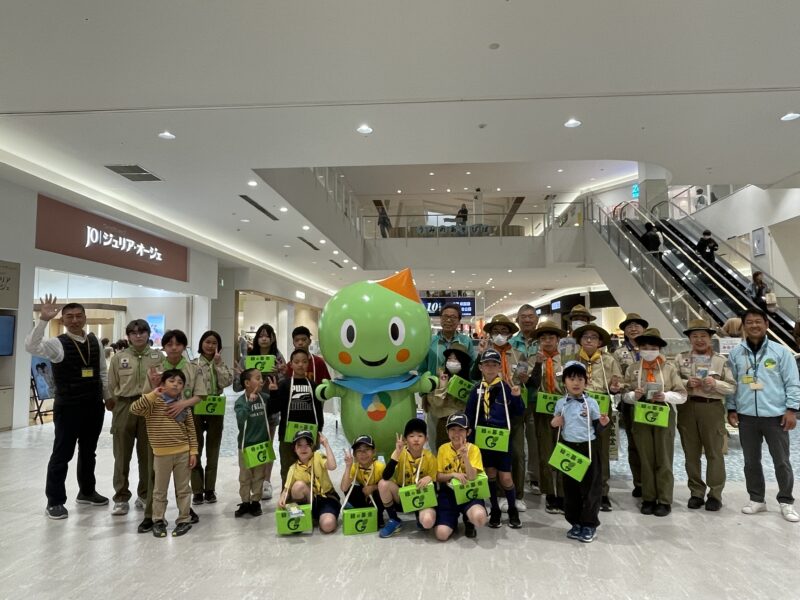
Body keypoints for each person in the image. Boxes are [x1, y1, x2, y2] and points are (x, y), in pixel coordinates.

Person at [25, 294, 110, 520]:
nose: (74, 320)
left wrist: (107, 396)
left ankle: (87, 492)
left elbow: (102, 372)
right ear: (63, 320)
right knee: (62, 454)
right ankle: (54, 501)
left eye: (78, 316)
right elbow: (31, 346)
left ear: (85, 318)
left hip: (93, 405)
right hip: (69, 407)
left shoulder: (94, 342)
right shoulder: (56, 344)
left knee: (89, 452)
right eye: (69, 316)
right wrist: (43, 319)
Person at [726, 307, 800, 522]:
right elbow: (732, 384)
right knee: (751, 461)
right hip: (746, 416)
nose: (754, 325)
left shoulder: (781, 352)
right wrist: (731, 408)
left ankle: (786, 501)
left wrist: (791, 410)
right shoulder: (736, 353)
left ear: (766, 325)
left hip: (776, 416)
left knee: (781, 461)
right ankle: (757, 499)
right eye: (749, 322)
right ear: (744, 326)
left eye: (758, 321)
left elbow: (793, 383)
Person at [139, 329, 207, 532]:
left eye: (178, 344)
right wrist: (154, 387)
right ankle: (152, 515)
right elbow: (145, 397)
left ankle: (186, 511)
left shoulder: (193, 368)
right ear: (164, 347)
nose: (174, 348)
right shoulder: (156, 369)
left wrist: (182, 404)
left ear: (184, 346)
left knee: (185, 468)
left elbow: (200, 395)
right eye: (169, 344)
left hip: (185, 419)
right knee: (155, 471)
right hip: (158, 423)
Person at [620, 328, 687, 517]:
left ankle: (664, 500)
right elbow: (624, 395)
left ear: (659, 349)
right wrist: (634, 395)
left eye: (653, 348)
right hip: (641, 413)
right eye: (645, 347)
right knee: (646, 457)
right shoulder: (633, 369)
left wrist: (665, 395)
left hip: (663, 413)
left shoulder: (669, 368)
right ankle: (648, 498)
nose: (649, 351)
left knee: (664, 457)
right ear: (639, 348)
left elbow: (682, 395)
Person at [674, 320, 736, 511]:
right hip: (687, 407)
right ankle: (696, 492)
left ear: (710, 338)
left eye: (703, 336)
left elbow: (732, 387)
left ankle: (715, 494)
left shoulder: (721, 360)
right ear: (689, 339)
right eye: (695, 336)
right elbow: (671, 381)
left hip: (712, 408)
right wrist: (686, 383)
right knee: (691, 453)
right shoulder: (680, 358)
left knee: (714, 452)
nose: (699, 339)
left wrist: (715, 384)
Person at [130, 369, 198, 538]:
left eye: (180, 382)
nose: (176, 384)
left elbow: (191, 430)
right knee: (159, 490)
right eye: (171, 381)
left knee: (183, 489)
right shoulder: (153, 403)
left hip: (183, 452)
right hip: (161, 455)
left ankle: (184, 519)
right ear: (162, 384)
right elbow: (134, 409)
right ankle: (158, 520)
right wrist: (153, 394)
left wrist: (193, 452)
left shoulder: (183, 406)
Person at [107, 319, 163, 516]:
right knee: (122, 454)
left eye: (142, 332)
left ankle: (145, 494)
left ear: (148, 334)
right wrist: (116, 407)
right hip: (125, 405)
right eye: (133, 333)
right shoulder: (119, 358)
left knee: (148, 454)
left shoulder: (158, 357)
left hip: (149, 405)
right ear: (128, 336)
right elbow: (112, 384)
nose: (138, 336)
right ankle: (121, 497)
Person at [551, 361, 610, 543]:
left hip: (588, 449)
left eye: (580, 379)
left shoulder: (591, 403)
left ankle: (589, 524)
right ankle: (575, 522)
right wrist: (554, 422)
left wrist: (603, 423)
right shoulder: (561, 403)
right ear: (564, 382)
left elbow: (597, 427)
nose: (576, 383)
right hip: (568, 449)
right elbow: (555, 424)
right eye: (571, 379)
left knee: (590, 489)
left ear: (586, 382)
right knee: (571, 489)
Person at [465, 349, 524, 529]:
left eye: (494, 365)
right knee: (490, 473)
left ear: (499, 367)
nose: (490, 368)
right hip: (483, 439)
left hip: (501, 438)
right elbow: (469, 414)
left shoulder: (506, 388)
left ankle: (512, 509)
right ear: (480, 367)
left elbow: (519, 412)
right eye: (486, 365)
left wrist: (517, 397)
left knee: (505, 477)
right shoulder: (476, 389)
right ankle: (495, 510)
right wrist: (469, 437)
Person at [569, 323, 623, 512]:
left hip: (600, 407)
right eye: (586, 337)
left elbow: (619, 382)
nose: (589, 340)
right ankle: (579, 490)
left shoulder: (608, 360)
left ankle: (602, 492)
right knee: (577, 446)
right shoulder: (573, 359)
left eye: (593, 337)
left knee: (601, 450)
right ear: (580, 341)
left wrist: (616, 388)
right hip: (576, 406)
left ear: (600, 342)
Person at [235, 323, 286, 499]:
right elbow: (236, 386)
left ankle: (265, 482)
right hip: (250, 408)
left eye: (267, 335)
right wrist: (241, 375)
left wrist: (280, 372)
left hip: (270, 407)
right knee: (249, 443)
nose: (264, 339)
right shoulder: (247, 358)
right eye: (261, 335)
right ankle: (249, 480)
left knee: (267, 445)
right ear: (256, 338)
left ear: (272, 338)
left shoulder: (278, 357)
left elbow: (284, 384)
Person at [420, 302, 476, 450]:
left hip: (458, 398)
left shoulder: (466, 341)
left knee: (457, 435)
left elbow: (472, 369)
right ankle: (437, 463)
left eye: (453, 317)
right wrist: (424, 393)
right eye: (445, 316)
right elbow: (422, 369)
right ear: (440, 318)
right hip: (435, 396)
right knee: (435, 436)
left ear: (459, 320)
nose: (449, 320)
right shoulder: (430, 342)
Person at [267, 348, 322, 486]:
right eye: (296, 362)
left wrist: (319, 432)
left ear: (308, 364)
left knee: (310, 469)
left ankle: (309, 495)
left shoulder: (313, 386)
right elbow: (273, 409)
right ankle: (286, 495)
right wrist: (273, 393)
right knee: (287, 470)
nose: (300, 365)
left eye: (304, 362)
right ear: (291, 364)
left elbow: (318, 411)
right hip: (288, 435)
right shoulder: (284, 385)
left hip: (309, 434)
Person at [191, 330, 233, 505]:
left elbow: (226, 382)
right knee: (195, 448)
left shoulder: (220, 363)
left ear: (219, 346)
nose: (210, 345)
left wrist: (218, 364)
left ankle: (209, 489)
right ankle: (197, 490)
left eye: (214, 343)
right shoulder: (193, 364)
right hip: (196, 408)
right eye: (207, 342)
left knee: (213, 450)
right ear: (201, 343)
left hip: (216, 408)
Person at [530, 320, 568, 513]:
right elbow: (530, 383)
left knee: (563, 449)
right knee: (545, 452)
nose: (547, 341)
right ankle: (549, 493)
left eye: (551, 337)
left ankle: (563, 492)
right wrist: (538, 364)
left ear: (558, 339)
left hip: (564, 411)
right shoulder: (534, 359)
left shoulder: (566, 359)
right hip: (542, 410)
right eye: (543, 338)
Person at [377, 418, 438, 538]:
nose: (416, 439)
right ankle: (394, 520)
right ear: (405, 440)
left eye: (420, 436)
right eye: (411, 436)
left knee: (428, 522)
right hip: (402, 496)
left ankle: (419, 516)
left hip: (421, 497)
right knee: (383, 484)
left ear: (426, 439)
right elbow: (386, 476)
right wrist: (396, 455)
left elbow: (434, 490)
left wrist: (430, 479)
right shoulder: (400, 453)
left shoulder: (430, 458)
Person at [434, 412, 488, 541]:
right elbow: (438, 477)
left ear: (468, 432)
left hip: (469, 491)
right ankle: (451, 521)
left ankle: (468, 519)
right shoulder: (442, 449)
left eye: (461, 430)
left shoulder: (474, 449)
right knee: (441, 534)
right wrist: (453, 474)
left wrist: (465, 457)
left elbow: (472, 477)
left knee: (480, 518)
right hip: (449, 494)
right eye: (452, 429)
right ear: (447, 432)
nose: (456, 433)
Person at [613, 312, 649, 497]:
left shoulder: (652, 349)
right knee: (634, 443)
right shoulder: (619, 353)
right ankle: (639, 482)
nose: (633, 329)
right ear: (625, 331)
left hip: (652, 403)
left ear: (643, 329)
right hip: (630, 402)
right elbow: (617, 379)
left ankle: (653, 482)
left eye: (637, 325)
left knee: (652, 444)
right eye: (629, 326)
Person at [278, 430, 341, 533]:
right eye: (299, 445)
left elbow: (332, 466)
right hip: (309, 501)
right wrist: (282, 498)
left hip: (327, 498)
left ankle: (323, 517)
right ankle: (308, 515)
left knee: (327, 526)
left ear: (312, 447)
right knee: (298, 486)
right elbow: (286, 490)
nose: (303, 448)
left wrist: (326, 445)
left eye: (307, 445)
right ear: (295, 449)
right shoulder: (293, 468)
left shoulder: (318, 456)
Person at [509, 304, 541, 498]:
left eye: (531, 316)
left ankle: (534, 477)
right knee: (517, 443)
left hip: (538, 398)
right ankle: (516, 478)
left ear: (536, 319)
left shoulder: (544, 340)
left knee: (535, 440)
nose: (527, 319)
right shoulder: (511, 343)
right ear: (518, 320)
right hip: (516, 399)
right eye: (523, 316)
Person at [234, 368, 270, 518]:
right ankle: (245, 502)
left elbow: (275, 407)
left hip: (261, 445)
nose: (261, 381)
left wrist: (274, 392)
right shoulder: (240, 402)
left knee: (259, 476)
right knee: (245, 477)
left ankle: (255, 502)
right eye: (258, 378)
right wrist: (249, 402)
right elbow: (241, 419)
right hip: (246, 446)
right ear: (247, 383)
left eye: (261, 378)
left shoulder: (265, 398)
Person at [430, 343, 473, 447]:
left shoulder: (469, 382)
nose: (452, 362)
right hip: (444, 422)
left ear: (463, 361)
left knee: (462, 452)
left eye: (456, 359)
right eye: (449, 359)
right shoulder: (439, 378)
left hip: (463, 424)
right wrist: (442, 386)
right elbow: (437, 404)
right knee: (443, 452)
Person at [341, 435, 385, 527]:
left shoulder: (380, 467)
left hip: (376, 495)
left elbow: (389, 485)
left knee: (381, 490)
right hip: (364, 494)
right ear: (354, 455)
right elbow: (344, 488)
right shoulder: (354, 467)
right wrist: (348, 466)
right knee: (350, 488)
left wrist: (373, 487)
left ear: (374, 452)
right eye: (359, 451)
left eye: (367, 450)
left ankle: (378, 514)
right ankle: (360, 509)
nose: (363, 454)